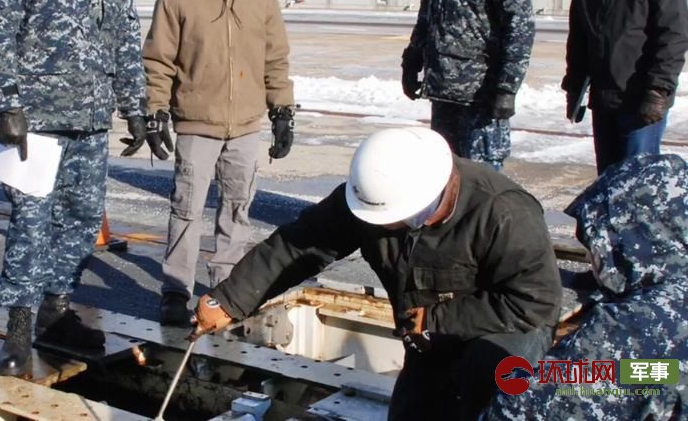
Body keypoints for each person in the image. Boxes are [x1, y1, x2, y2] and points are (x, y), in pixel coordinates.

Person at [192, 127, 561, 420]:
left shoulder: (503, 212)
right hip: (426, 335)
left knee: (487, 389)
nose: (388, 227)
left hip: (504, 332)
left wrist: (438, 319)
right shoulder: (374, 196)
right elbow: (299, 245)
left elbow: (536, 302)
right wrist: (229, 300)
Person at [0, 0, 146, 377]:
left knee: (83, 219)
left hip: (90, 122)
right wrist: (7, 105)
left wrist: (134, 107)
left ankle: (55, 311)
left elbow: (125, 40)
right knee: (31, 224)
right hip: (37, 124)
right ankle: (18, 327)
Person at [142, 0, 295, 325]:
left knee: (237, 207)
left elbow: (276, 62)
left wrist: (283, 111)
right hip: (197, 123)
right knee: (186, 208)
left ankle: (225, 288)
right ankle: (176, 289)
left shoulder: (263, 3)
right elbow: (158, 62)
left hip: (245, 126)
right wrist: (156, 111)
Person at [483, 153, 688, 419]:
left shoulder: (637, 326)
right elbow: (656, 373)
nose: (591, 257)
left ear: (629, 237)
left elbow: (523, 410)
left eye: (595, 243)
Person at [401, 0, 535, 171]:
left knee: (481, 178)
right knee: (444, 173)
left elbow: (520, 27)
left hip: (481, 95)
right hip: (443, 91)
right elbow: (427, 14)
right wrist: (412, 58)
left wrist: (507, 87)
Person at [563, 0, 688, 174]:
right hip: (604, 99)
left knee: (636, 181)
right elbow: (579, 38)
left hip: (642, 101)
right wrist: (574, 87)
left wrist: (658, 91)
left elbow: (673, 37)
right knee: (608, 181)